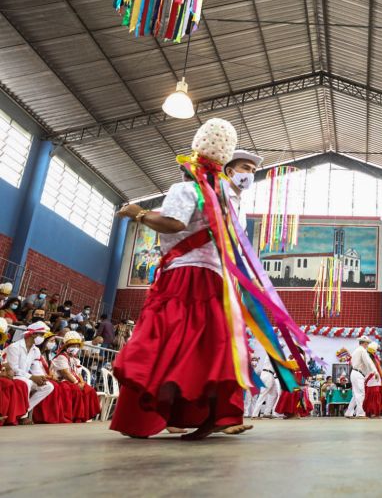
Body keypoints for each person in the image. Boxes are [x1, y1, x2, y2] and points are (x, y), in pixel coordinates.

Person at [110, 118, 308, 440]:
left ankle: (166, 411)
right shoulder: (226, 202)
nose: (248, 175)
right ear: (225, 167)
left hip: (185, 278)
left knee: (168, 342)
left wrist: (138, 214)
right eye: (244, 167)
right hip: (217, 282)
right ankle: (205, 413)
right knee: (209, 347)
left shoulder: (186, 189)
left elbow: (173, 224)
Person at [3, 321, 55, 424]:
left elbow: (36, 367)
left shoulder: (36, 350)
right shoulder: (15, 347)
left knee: (48, 386)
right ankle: (23, 417)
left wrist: (41, 377)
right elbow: (14, 368)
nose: (43, 338)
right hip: (14, 376)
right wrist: (32, 377)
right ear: (33, 334)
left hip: (26, 376)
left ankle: (23, 410)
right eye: (41, 335)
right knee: (27, 383)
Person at [346, 336, 373, 419]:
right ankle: (360, 413)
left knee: (356, 395)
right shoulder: (362, 351)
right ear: (364, 343)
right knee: (360, 394)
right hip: (358, 374)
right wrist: (373, 371)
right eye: (367, 343)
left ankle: (349, 412)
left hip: (355, 373)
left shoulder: (356, 351)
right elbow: (367, 363)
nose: (367, 345)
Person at [363, 342, 382, 418]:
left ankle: (370, 413)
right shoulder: (375, 360)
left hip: (369, 381)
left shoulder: (367, 360)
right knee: (376, 397)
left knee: (369, 397)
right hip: (375, 381)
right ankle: (375, 413)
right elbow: (380, 372)